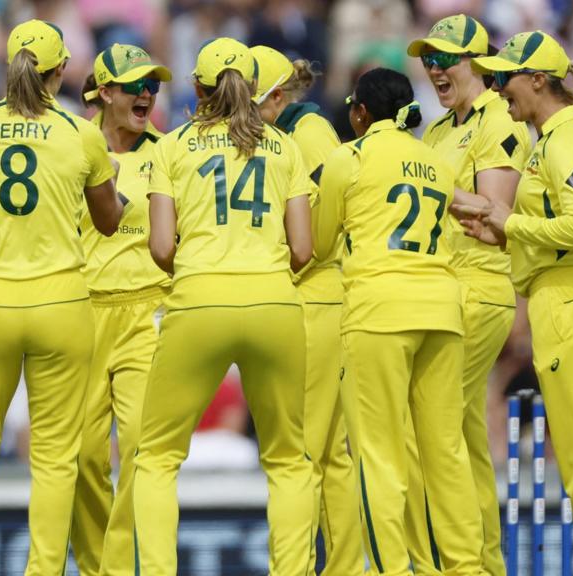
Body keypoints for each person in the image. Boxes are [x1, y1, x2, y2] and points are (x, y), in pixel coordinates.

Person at [461, 31, 573, 575]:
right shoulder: (559, 137)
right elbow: (563, 229)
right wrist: (506, 235)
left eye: (504, 77)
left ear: (538, 79)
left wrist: (507, 220)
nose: (497, 88)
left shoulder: (564, 140)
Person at [134, 37, 316, 574]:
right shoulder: (286, 147)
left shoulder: (170, 147)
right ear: (254, 88)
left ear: (196, 88)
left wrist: (199, 275)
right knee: (289, 461)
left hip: (198, 301)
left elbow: (162, 247)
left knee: (156, 458)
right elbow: (303, 249)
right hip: (274, 304)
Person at [0, 19, 122, 575]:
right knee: (54, 458)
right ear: (61, 71)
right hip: (61, 304)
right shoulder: (80, 132)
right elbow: (109, 222)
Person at [313, 67, 485, 574]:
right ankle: (465, 567)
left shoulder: (348, 157)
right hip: (442, 309)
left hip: (379, 312)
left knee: (379, 455)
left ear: (361, 112)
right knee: (446, 452)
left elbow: (320, 246)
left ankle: (394, 568)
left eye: (352, 108)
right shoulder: (434, 160)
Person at [404, 15, 531, 574]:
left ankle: (451, 565)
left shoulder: (498, 120)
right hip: (443, 288)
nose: (434, 69)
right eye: (429, 59)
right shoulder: (437, 130)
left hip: (478, 288)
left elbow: (493, 211)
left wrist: (412, 182)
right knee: (462, 435)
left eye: (447, 59)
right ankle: (482, 561)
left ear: (478, 62)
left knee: (427, 422)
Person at [250, 45, 361, 574]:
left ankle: (291, 567)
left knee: (301, 450)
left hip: (315, 291)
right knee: (332, 455)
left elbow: (324, 222)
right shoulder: (291, 129)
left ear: (277, 94)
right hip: (321, 293)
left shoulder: (308, 131)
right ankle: (340, 566)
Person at [71, 43, 172, 576]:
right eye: (134, 85)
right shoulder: (71, 145)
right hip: (83, 314)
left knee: (140, 450)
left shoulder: (170, 149)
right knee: (83, 458)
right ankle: (95, 566)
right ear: (104, 91)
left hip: (147, 313)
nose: (146, 93)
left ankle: (118, 568)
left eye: (151, 84)